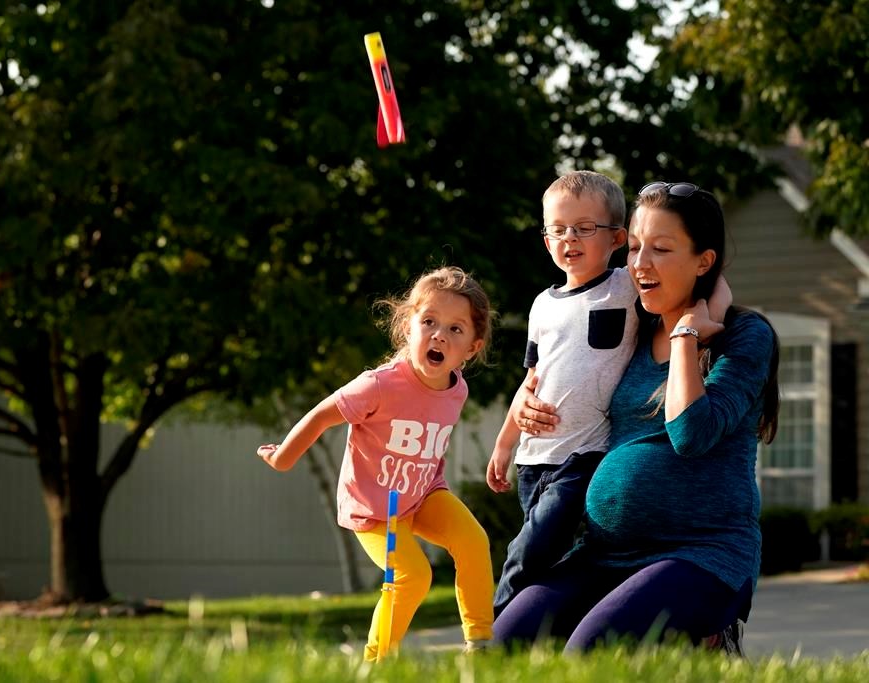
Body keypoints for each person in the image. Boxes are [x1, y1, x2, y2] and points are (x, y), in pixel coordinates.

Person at [493, 182, 780, 653]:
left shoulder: (744, 336)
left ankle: (704, 641)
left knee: (588, 651)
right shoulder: (630, 328)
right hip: (606, 553)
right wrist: (524, 403)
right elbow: (562, 371)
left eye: (661, 249)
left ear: (703, 261)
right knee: (506, 640)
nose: (640, 263)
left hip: (701, 554)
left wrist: (686, 335)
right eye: (635, 247)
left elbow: (690, 433)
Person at [257, 266, 496, 660]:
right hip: (374, 509)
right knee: (412, 576)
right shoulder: (380, 384)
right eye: (429, 321)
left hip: (424, 495)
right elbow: (320, 416)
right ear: (407, 327)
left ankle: (480, 644)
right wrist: (284, 458)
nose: (439, 335)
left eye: (456, 329)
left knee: (473, 540)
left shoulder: (458, 390)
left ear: (472, 347)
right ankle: (376, 662)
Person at [485, 170, 636, 617]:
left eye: (585, 228)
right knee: (548, 556)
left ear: (617, 238)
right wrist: (504, 445)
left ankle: (490, 628)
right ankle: (541, 627)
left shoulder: (625, 286)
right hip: (534, 458)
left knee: (528, 549)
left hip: (584, 454)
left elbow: (705, 278)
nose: (570, 238)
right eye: (558, 229)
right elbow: (531, 379)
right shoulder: (542, 305)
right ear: (546, 240)